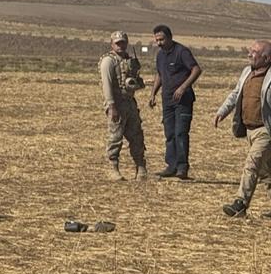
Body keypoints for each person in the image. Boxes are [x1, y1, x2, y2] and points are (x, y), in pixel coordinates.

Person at [213, 40, 271, 217]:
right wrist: (222, 111)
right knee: (266, 172)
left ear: (267, 58)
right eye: (250, 50)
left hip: (266, 130)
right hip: (249, 130)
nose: (249, 54)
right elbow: (236, 94)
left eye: (254, 52)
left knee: (252, 164)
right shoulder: (247, 72)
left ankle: (240, 204)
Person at [148, 25, 201, 179]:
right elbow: (160, 75)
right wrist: (153, 94)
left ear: (170, 37)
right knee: (169, 133)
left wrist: (183, 87)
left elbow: (196, 69)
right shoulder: (160, 55)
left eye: (162, 39)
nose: (159, 43)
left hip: (183, 100)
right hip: (167, 100)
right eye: (157, 40)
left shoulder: (181, 52)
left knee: (180, 133)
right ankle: (171, 166)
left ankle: (182, 168)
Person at [99, 31, 147, 181]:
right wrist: (111, 106)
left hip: (130, 102)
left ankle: (141, 167)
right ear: (112, 44)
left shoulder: (129, 60)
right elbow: (106, 85)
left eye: (123, 43)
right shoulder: (109, 61)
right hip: (117, 103)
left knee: (136, 136)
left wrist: (137, 83)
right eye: (117, 43)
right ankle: (113, 168)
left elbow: (137, 80)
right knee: (115, 137)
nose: (121, 45)